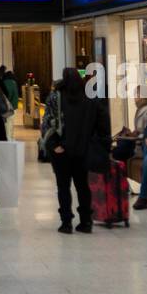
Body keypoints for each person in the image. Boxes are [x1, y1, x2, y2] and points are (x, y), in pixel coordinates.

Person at [41, 66, 111, 234]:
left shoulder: (56, 97)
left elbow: (47, 123)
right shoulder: (90, 99)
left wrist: (53, 145)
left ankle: (66, 222)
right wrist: (101, 145)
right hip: (83, 151)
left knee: (63, 187)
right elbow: (103, 124)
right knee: (83, 186)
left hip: (61, 152)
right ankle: (86, 221)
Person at [0, 66, 20, 140]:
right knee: (10, 125)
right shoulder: (14, 83)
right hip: (13, 107)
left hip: (8, 108)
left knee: (7, 125)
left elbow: (7, 95)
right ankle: (10, 138)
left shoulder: (6, 83)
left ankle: (8, 140)